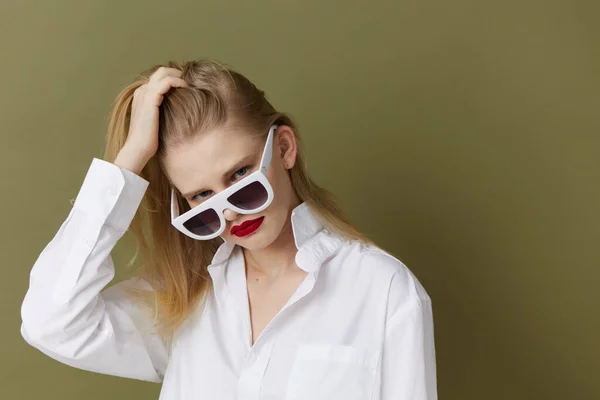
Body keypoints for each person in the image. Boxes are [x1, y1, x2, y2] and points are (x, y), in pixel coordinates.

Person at [20, 59, 437, 399]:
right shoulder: (184, 300)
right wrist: (131, 159)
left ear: (285, 148)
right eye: (202, 197)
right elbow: (52, 322)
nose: (231, 212)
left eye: (240, 175)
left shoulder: (383, 291)